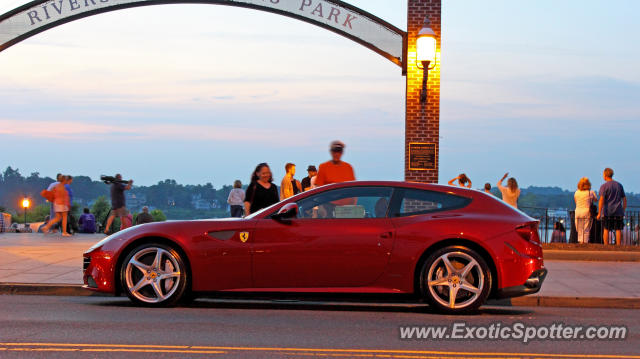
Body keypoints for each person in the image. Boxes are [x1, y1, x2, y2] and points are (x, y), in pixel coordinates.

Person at [597, 168, 626, 245]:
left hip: (607, 211)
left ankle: (606, 246)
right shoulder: (619, 185)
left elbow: (601, 200)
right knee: (618, 229)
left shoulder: (604, 186)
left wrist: (599, 212)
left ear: (605, 175)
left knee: (606, 229)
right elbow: (624, 199)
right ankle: (618, 245)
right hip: (618, 211)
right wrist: (623, 210)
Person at [574, 177, 597, 244]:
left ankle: (580, 241)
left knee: (579, 228)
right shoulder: (590, 192)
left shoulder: (576, 192)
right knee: (586, 228)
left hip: (578, 211)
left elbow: (576, 201)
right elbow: (595, 200)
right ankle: (585, 242)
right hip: (586, 211)